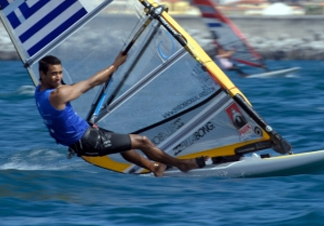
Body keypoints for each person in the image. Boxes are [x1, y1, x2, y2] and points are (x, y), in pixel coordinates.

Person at [35, 53, 206, 177]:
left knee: (123, 143)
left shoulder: (39, 92)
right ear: (42, 74)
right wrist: (116, 65)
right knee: (143, 141)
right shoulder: (58, 94)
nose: (58, 77)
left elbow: (80, 87)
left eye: (60, 72)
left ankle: (154, 167)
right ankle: (181, 164)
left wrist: (103, 78)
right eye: (53, 73)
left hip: (81, 135)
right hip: (86, 140)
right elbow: (90, 83)